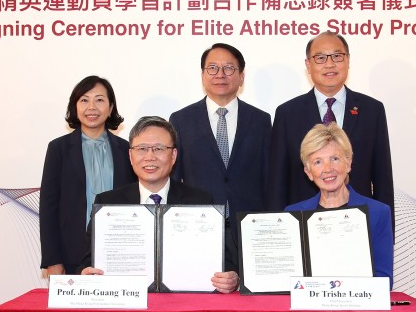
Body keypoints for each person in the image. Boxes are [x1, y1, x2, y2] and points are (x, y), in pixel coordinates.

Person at [79, 116, 240, 293]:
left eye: (159, 149)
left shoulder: (200, 202)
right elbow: (88, 262)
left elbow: (225, 262)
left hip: (183, 305)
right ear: (130, 156)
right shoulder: (107, 203)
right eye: (141, 149)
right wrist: (86, 275)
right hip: (128, 305)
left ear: (173, 156)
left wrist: (231, 278)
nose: (150, 157)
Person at [267, 32, 394, 228]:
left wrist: (385, 230)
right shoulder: (287, 113)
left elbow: (383, 178)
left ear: (348, 61)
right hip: (303, 223)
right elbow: (277, 183)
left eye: (337, 56)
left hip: (359, 223)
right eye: (320, 58)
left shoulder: (372, 110)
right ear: (308, 65)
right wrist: (278, 231)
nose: (329, 64)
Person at [169, 43, 271, 251]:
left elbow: (269, 178)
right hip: (198, 228)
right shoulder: (181, 120)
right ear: (203, 75)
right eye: (213, 68)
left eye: (229, 68)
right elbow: (173, 180)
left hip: (249, 229)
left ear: (241, 76)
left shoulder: (261, 120)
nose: (220, 74)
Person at [39, 76, 136, 277]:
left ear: (110, 108)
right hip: (71, 252)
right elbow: (48, 207)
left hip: (120, 252)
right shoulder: (59, 149)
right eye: (84, 100)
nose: (91, 107)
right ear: (75, 107)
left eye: (99, 100)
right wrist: (52, 260)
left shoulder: (126, 150)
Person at [285, 122, 393, 288]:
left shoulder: (378, 212)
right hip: (309, 310)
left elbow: (384, 280)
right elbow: (288, 278)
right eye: (318, 162)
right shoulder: (293, 215)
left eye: (334, 159)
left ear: (348, 163)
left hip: (358, 310)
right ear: (308, 172)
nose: (328, 169)